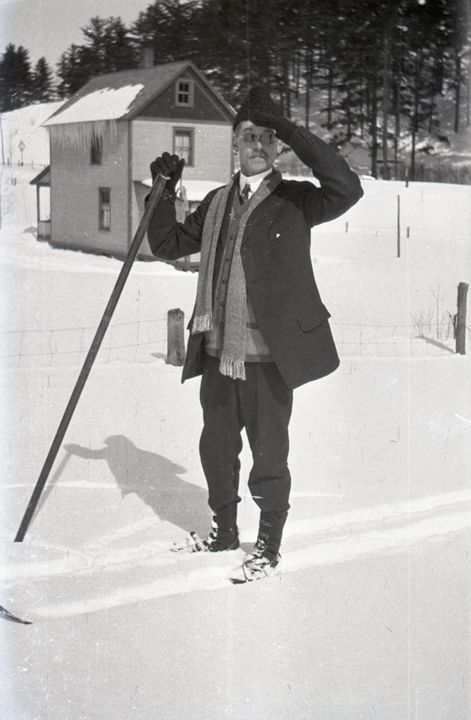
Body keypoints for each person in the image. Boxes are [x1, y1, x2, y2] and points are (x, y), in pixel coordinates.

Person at [147, 87, 363, 582]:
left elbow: (347, 188)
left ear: (278, 146)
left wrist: (289, 126)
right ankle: (224, 532)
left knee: (269, 458)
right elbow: (167, 243)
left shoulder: (297, 200)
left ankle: (267, 546)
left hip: (269, 359)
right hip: (218, 352)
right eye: (249, 137)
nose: (258, 146)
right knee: (216, 450)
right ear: (236, 144)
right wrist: (162, 191)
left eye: (268, 137)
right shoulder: (216, 202)